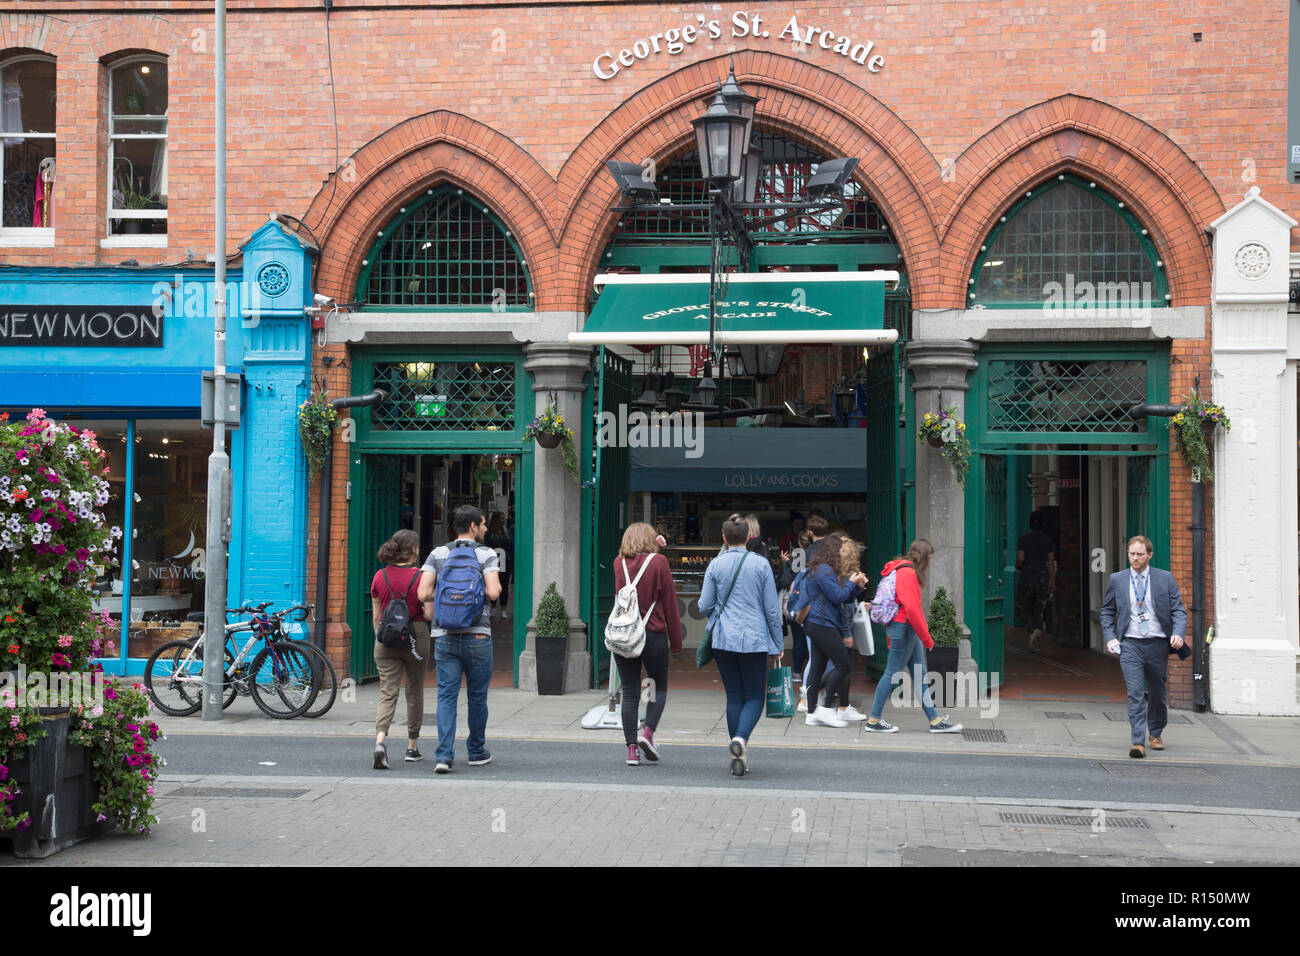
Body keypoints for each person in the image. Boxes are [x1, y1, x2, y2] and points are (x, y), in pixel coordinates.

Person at [417, 504, 502, 774]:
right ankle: (476, 752)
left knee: (446, 696)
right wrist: (469, 596)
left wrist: (447, 595)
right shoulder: (486, 554)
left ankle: (443, 755)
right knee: (477, 696)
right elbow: (494, 592)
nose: (486, 528)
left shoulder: (438, 553)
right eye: (484, 524)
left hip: (445, 635)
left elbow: (422, 593)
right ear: (474, 526)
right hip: (478, 633)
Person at [698, 513, 784, 777]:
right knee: (755, 697)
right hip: (754, 638)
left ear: (723, 537)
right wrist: (778, 642)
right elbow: (772, 609)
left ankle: (737, 746)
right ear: (748, 537)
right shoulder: (760, 565)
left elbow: (703, 606)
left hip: (723, 638)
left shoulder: (715, 565)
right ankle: (741, 740)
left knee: (734, 696)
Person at [1099, 535, 1188, 759]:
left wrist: (1177, 633)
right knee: (1136, 693)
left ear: (1149, 555)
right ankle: (1138, 740)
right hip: (1130, 644)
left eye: (1140, 554)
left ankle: (1156, 733)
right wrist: (1110, 637)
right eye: (1132, 554)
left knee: (1157, 693)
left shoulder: (1164, 578)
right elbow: (1107, 611)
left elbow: (1178, 610)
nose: (1135, 558)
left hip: (1157, 644)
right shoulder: (1117, 580)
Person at [865, 539, 963, 734]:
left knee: (920, 675)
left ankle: (935, 721)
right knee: (892, 674)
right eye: (930, 558)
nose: (930, 563)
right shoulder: (908, 573)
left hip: (905, 629)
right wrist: (927, 638)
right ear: (923, 557)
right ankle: (874, 720)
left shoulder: (901, 569)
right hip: (904, 628)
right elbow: (912, 609)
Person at [612, 522, 683, 766]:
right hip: (652, 635)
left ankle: (632, 750)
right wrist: (676, 642)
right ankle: (648, 733)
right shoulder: (659, 562)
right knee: (656, 686)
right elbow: (670, 602)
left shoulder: (617, 563)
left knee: (630, 692)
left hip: (626, 636)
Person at [370, 529, 429, 769]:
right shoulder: (422, 577)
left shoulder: (379, 576)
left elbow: (376, 618)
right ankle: (412, 747)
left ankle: (380, 741)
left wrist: (384, 638)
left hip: (385, 640)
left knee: (388, 692)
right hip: (416, 636)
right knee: (414, 692)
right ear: (413, 550)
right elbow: (428, 613)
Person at [801, 532, 869, 727]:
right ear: (832, 550)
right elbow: (838, 596)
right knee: (844, 664)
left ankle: (812, 712)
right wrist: (851, 583)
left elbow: (845, 597)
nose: (842, 552)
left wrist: (858, 588)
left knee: (818, 667)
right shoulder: (823, 571)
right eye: (840, 548)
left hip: (819, 623)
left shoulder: (825, 569)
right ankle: (825, 707)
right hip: (822, 623)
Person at [1016, 511, 1056, 651]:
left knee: (1021, 606)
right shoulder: (1048, 540)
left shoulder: (1023, 539)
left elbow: (1020, 559)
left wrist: (1018, 566)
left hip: (1027, 577)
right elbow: (1050, 563)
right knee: (1039, 608)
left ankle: (1032, 629)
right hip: (1042, 578)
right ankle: (1036, 632)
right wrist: (1052, 581)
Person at [486, 511, 513, 621]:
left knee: (504, 585)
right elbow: (487, 544)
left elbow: (510, 545)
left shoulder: (506, 531)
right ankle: (493, 607)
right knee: (493, 584)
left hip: (504, 560)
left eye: (504, 518)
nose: (504, 520)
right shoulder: (489, 532)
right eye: (502, 518)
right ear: (496, 519)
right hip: (493, 561)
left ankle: (503, 610)